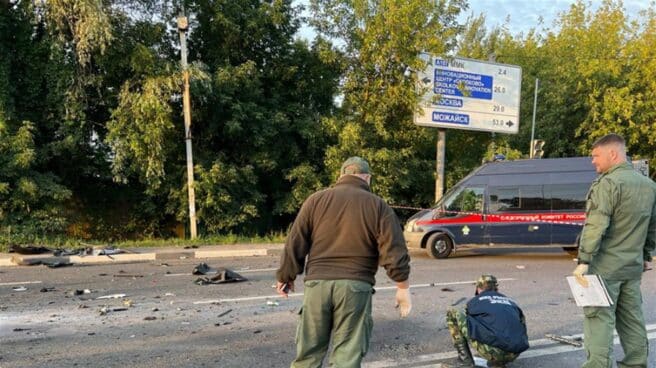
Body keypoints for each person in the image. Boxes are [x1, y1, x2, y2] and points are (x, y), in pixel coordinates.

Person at [275, 156, 412, 368]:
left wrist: (285, 277)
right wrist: (402, 286)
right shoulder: (378, 205)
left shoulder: (315, 200)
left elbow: (295, 241)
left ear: (341, 176)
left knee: (307, 356)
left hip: (317, 286)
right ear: (367, 178)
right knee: (346, 357)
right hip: (355, 287)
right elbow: (394, 250)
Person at [573, 133, 656, 368]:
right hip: (631, 267)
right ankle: (636, 364)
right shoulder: (649, 185)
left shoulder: (608, 184)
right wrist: (645, 256)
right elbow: (652, 226)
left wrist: (584, 260)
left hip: (604, 268)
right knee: (632, 320)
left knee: (598, 319)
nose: (593, 161)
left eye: (596, 155)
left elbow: (596, 224)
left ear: (613, 153)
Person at [445, 275, 529, 368]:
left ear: (478, 289)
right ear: (496, 288)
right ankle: (498, 363)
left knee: (453, 311)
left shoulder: (476, 300)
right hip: (515, 352)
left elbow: (466, 316)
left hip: (494, 353)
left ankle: (465, 362)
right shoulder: (511, 302)